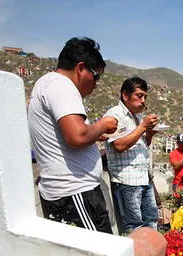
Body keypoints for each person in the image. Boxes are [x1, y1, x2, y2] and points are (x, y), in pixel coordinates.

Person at [28, 37, 117, 233]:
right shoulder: (62, 85)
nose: (96, 84)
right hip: (76, 194)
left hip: (70, 194)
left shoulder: (48, 84)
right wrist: (103, 124)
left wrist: (96, 133)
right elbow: (77, 137)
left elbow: (70, 134)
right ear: (80, 68)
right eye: (96, 76)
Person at [104, 76, 159, 234]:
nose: (143, 101)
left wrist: (149, 134)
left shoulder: (138, 117)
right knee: (135, 225)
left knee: (151, 219)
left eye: (145, 97)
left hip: (143, 177)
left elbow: (143, 145)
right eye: (139, 95)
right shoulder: (115, 115)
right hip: (127, 180)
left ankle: (151, 254)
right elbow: (119, 145)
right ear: (125, 95)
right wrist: (143, 127)